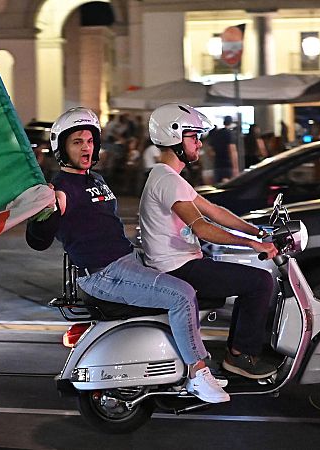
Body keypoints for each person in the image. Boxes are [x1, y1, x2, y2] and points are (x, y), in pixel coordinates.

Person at [26, 107, 230, 403]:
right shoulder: (61, 190)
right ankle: (198, 373)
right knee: (181, 294)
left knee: (191, 282)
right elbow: (38, 240)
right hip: (103, 273)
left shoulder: (94, 179)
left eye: (90, 141)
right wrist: (48, 211)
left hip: (126, 262)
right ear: (62, 149)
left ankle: (181, 364)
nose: (86, 147)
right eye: (77, 142)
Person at [139, 102, 280, 379]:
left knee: (249, 280)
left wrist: (257, 232)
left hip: (183, 262)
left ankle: (240, 351)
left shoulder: (169, 177)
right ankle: (240, 356)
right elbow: (202, 227)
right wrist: (252, 244)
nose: (200, 144)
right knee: (260, 282)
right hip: (177, 268)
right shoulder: (167, 180)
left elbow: (214, 211)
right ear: (174, 137)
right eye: (194, 137)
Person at [208, 115, 238, 183]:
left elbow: (210, 152)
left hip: (217, 165)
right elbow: (232, 151)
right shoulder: (229, 133)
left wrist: (215, 160)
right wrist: (235, 168)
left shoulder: (216, 134)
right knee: (229, 187)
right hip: (228, 165)